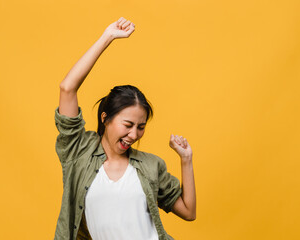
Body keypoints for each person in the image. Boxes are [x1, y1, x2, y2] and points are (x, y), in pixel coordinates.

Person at [54, 17, 196, 240]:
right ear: (105, 118)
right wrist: (107, 36)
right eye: (128, 125)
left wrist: (186, 160)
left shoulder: (151, 165)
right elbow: (67, 88)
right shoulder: (78, 152)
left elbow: (188, 212)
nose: (134, 134)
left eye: (141, 127)